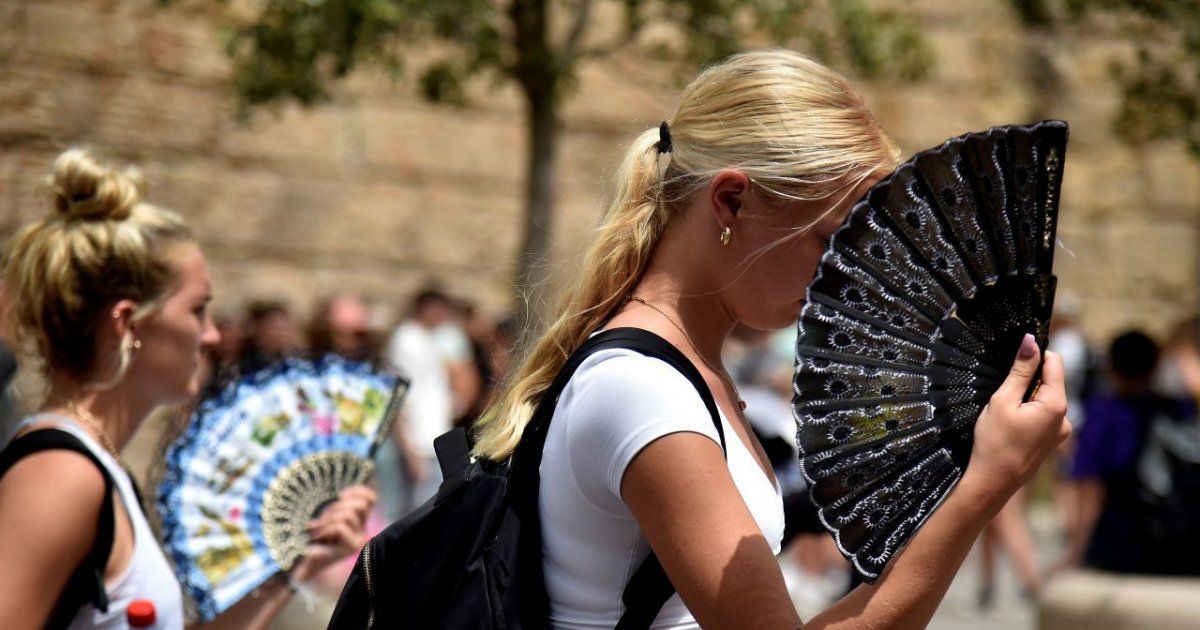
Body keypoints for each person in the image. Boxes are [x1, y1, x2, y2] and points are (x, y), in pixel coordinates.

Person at [468, 50, 1070, 628]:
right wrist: (984, 487)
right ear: (730, 202)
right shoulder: (641, 391)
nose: (847, 274)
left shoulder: (684, 370)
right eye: (832, 241)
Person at [0, 148, 375, 629]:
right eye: (197, 310)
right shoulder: (61, 474)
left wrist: (297, 565)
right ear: (128, 323)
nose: (213, 334)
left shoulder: (93, 464)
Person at [1065, 330, 1200, 574]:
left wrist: (1076, 553)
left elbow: (1090, 488)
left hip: (1118, 543)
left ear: (1112, 366)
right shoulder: (1176, 409)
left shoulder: (1104, 412)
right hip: (1177, 546)